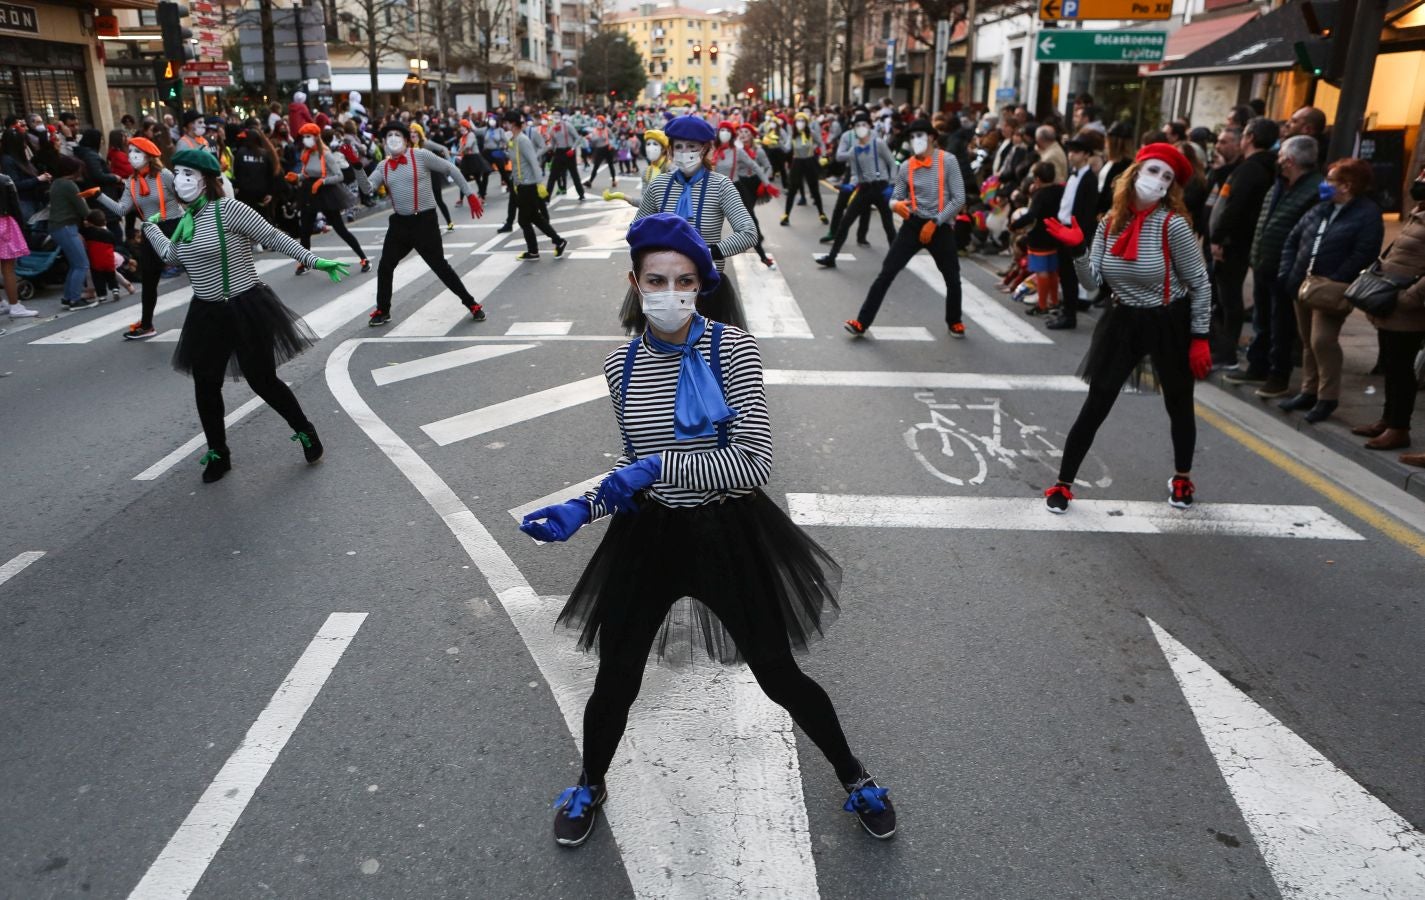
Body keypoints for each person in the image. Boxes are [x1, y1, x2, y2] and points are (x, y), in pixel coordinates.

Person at [520, 212, 896, 848]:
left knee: (778, 674)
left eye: (685, 281)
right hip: (650, 536)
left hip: (728, 530)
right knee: (616, 676)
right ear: (635, 282)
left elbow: (752, 463)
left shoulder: (732, 348)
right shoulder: (620, 365)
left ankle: (855, 775)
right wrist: (586, 506)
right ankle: (590, 781)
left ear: (702, 284)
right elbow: (632, 458)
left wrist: (652, 468)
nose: (671, 293)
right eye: (657, 280)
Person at [142, 150, 349, 483]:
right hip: (206, 312)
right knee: (206, 384)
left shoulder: (229, 210)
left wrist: (314, 260)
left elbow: (273, 236)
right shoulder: (185, 221)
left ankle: (304, 430)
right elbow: (172, 256)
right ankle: (218, 453)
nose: (180, 179)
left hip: (245, 306)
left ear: (207, 180)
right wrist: (151, 229)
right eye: (177, 172)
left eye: (189, 174)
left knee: (262, 379)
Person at [1041, 143, 1213, 513]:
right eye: (1154, 171)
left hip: (1169, 320)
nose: (1159, 181)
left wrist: (1200, 337)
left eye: (1167, 177)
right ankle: (1063, 484)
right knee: (1098, 401)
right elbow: (1093, 283)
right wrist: (1077, 251)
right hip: (1123, 319)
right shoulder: (1109, 224)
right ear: (1135, 173)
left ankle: (1182, 478)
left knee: (1179, 402)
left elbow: (1199, 283)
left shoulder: (1174, 225)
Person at [1275, 159, 1383, 424]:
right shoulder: (1321, 209)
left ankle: (1327, 397)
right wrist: (1289, 273)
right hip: (1303, 284)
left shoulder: (1367, 214)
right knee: (1307, 340)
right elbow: (1293, 238)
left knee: (1322, 340)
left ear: (1346, 185)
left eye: (1330, 180)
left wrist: (1335, 279)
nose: (1325, 185)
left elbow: (1364, 252)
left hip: (1331, 289)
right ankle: (1308, 391)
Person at [626, 114, 757, 331]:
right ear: (671, 149)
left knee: (706, 353)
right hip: (661, 287)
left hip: (704, 285)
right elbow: (634, 230)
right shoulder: (659, 185)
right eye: (679, 146)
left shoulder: (721, 185)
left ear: (705, 148)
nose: (684, 152)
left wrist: (708, 252)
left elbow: (748, 232)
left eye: (692, 146)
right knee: (659, 354)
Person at [841, 119, 967, 338]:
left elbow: (958, 199)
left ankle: (954, 321)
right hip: (913, 224)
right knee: (886, 273)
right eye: (912, 136)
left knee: (952, 277)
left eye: (921, 135)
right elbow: (896, 195)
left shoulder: (948, 161)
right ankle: (862, 322)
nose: (916, 140)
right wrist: (895, 205)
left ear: (932, 137)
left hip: (940, 226)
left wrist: (936, 222)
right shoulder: (907, 165)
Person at [1226, 135, 1324, 398]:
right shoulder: (1279, 185)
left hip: (1287, 269)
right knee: (1262, 320)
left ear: (1290, 161)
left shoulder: (1315, 190)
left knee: (1282, 326)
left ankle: (1278, 376)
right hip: (1264, 263)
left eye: (1281, 157)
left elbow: (1309, 234)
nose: (1278, 161)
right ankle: (1257, 366)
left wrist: (1293, 269)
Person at [364, 122, 487, 326]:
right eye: (389, 136)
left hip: (424, 222)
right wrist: (358, 168)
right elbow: (368, 189)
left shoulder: (420, 156)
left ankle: (472, 304)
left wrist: (470, 194)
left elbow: (450, 168)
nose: (393, 138)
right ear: (384, 142)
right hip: (400, 225)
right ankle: (382, 310)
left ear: (405, 139)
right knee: (385, 267)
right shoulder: (383, 166)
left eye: (397, 134)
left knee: (440, 267)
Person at [1355, 165, 1425, 460]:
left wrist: (1409, 298)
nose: (1419, 182)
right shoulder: (1419, 211)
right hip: (1392, 304)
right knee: (1393, 367)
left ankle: (1398, 427)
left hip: (1408, 309)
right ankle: (1389, 420)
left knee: (1401, 369)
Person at [95, 136, 185, 339]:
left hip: (175, 227)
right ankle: (146, 325)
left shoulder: (165, 175)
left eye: (138, 152)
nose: (132, 157)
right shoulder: (132, 182)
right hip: (150, 230)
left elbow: (185, 198)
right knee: (149, 280)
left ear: (149, 156)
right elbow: (121, 210)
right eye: (131, 153)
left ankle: (222, 314)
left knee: (198, 274)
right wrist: (98, 196)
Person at [1208, 118, 1278, 368]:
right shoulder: (1256, 167)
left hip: (1234, 243)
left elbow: (1235, 207)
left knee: (1228, 299)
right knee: (1222, 296)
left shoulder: (1252, 169)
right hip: (1240, 241)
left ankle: (1226, 353)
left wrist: (1219, 239)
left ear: (1248, 138)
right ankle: (1218, 347)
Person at [815, 111, 897, 267]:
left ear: (869, 126)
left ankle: (897, 258)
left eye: (864, 124)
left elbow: (892, 163)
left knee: (888, 225)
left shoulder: (878, 144)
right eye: (857, 125)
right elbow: (855, 174)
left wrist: (892, 185)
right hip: (864, 189)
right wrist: (850, 186)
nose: (861, 128)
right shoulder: (853, 151)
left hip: (881, 188)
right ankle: (832, 257)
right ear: (853, 129)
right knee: (845, 222)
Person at [291, 123, 369, 276]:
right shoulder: (306, 153)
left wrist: (323, 181)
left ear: (316, 137)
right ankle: (305, 262)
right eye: (304, 137)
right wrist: (297, 177)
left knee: (341, 230)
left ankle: (364, 258)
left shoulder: (326, 154)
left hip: (326, 193)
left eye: (308, 137)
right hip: (309, 191)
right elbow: (306, 174)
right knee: (305, 230)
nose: (305, 140)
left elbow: (339, 176)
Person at [1045, 135, 1100, 331]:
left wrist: (1079, 237)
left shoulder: (1089, 179)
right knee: (1064, 273)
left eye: (1075, 152)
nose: (1071, 155)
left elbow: (1087, 211)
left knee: (1070, 275)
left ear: (1086, 155)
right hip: (1063, 227)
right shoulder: (1073, 173)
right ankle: (1066, 308)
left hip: (1074, 232)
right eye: (1070, 151)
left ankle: (1070, 315)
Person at [501, 111, 567, 263]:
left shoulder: (523, 140)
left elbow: (533, 162)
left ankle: (534, 251)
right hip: (521, 185)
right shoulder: (515, 140)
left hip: (528, 185)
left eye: (506, 123)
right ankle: (557, 241)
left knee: (524, 220)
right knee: (535, 218)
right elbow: (514, 159)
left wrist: (539, 184)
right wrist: (508, 143)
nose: (504, 126)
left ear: (512, 124)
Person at [1013, 162, 1064, 317]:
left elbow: (1032, 215)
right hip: (1055, 234)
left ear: (1037, 178)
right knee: (1053, 270)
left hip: (1039, 237)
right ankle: (1054, 301)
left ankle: (1042, 304)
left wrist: (1014, 225)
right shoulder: (1060, 190)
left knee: (1041, 271)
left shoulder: (1040, 195)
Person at [47, 155, 98, 310]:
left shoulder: (56, 183)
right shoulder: (69, 185)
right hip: (66, 227)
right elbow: (84, 210)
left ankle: (69, 296)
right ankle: (75, 299)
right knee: (82, 264)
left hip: (58, 227)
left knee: (75, 264)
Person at [780, 111, 828, 226]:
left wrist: (823, 155)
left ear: (806, 123)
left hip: (810, 161)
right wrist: (777, 142)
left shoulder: (811, 133)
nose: (800, 123)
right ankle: (786, 215)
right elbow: (787, 149)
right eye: (798, 121)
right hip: (797, 162)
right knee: (792, 190)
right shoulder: (792, 134)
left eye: (802, 121)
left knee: (814, 189)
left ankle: (821, 213)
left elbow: (821, 143)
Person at [0, 172, 34, 318]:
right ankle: (15, 305)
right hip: (4, 222)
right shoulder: (5, 179)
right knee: (8, 268)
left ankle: (1, 303)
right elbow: (15, 205)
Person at [81, 209, 121, 304]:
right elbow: (114, 244)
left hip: (95, 261)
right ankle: (115, 289)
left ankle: (101, 295)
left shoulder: (89, 232)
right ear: (105, 221)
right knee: (111, 276)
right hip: (109, 260)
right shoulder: (110, 234)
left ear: (90, 222)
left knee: (98, 279)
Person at [544, 109, 586, 200]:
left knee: (574, 174)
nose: (556, 117)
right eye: (554, 115)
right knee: (553, 175)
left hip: (569, 151)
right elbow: (552, 144)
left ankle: (581, 194)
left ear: (561, 116)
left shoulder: (568, 126)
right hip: (558, 152)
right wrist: (546, 146)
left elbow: (578, 138)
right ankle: (547, 197)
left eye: (558, 115)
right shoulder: (551, 128)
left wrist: (573, 149)